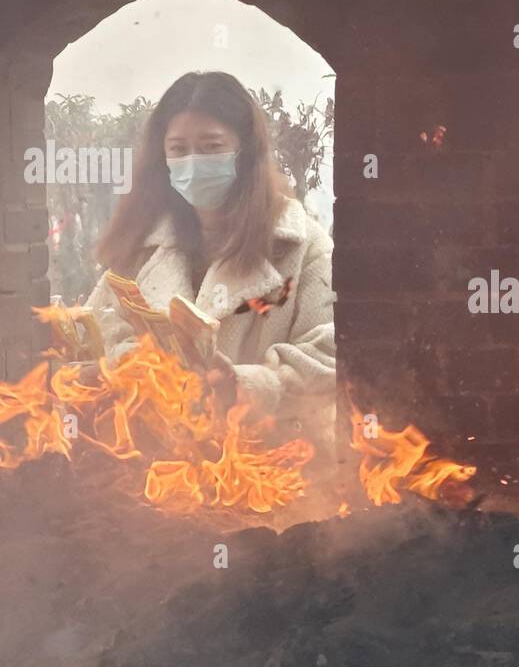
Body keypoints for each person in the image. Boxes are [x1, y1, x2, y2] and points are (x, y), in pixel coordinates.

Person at [85, 71, 337, 450]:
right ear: (162, 157)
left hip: (273, 472)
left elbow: (332, 352)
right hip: (162, 477)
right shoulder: (141, 246)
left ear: (246, 152)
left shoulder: (302, 246)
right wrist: (149, 373)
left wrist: (247, 387)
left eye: (210, 146)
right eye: (179, 150)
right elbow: (101, 327)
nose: (193, 162)